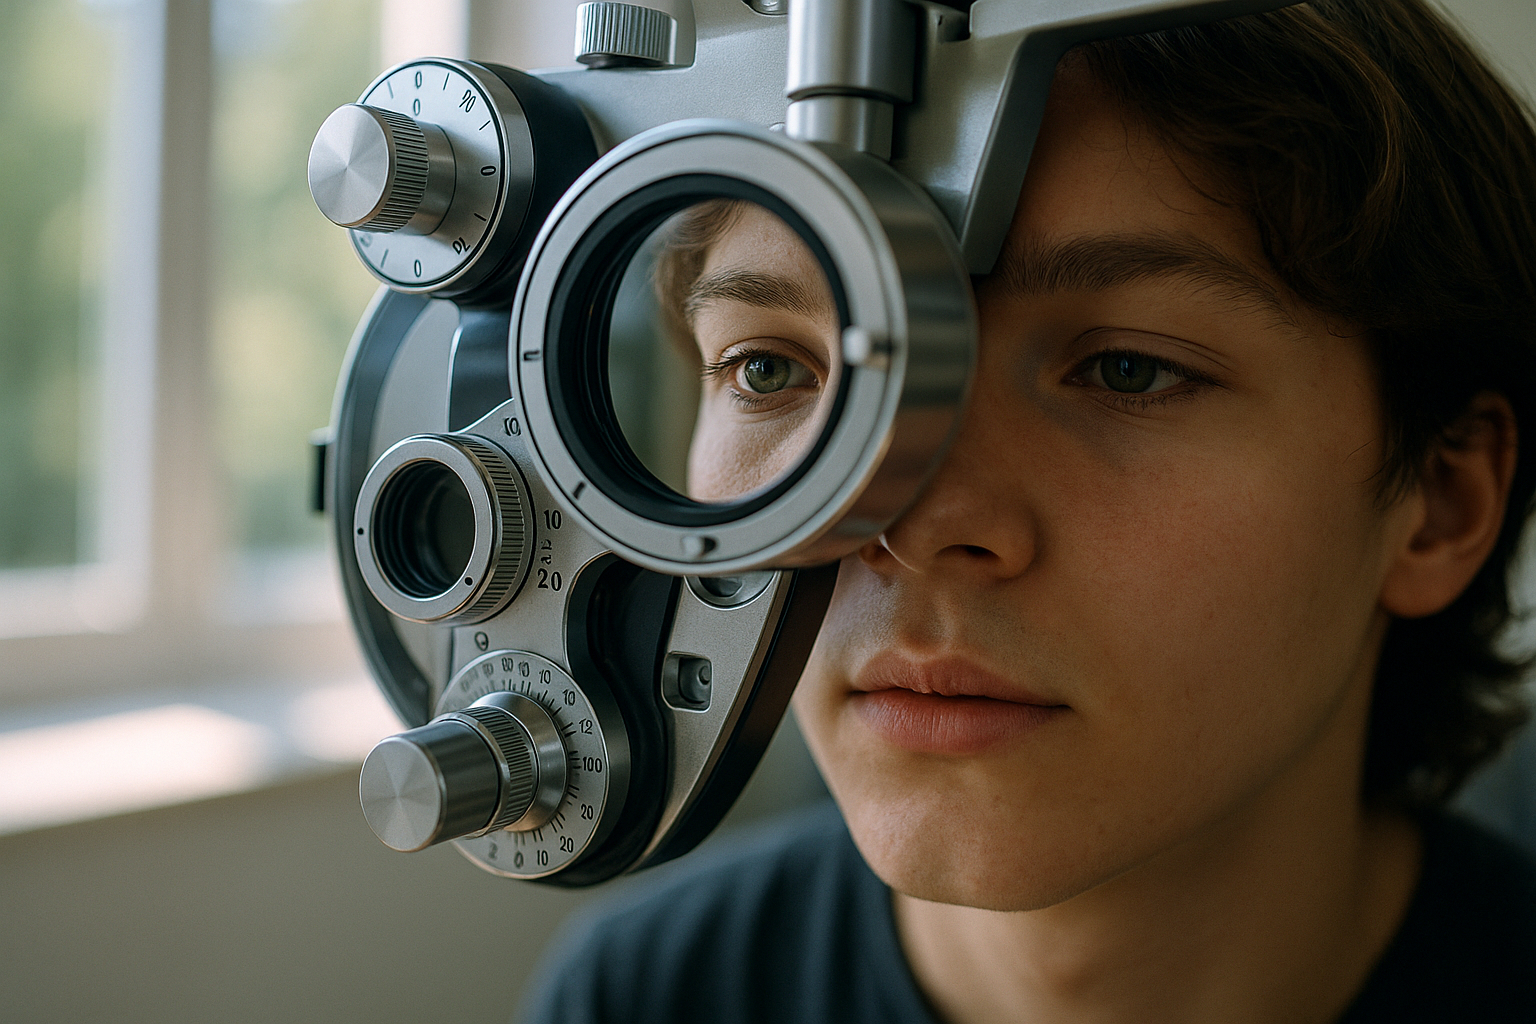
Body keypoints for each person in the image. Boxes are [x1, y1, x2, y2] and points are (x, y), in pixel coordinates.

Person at [520, 1, 1536, 1020]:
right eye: (772, 368)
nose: (905, 522)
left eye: (1129, 370)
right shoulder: (640, 994)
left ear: (1441, 503)